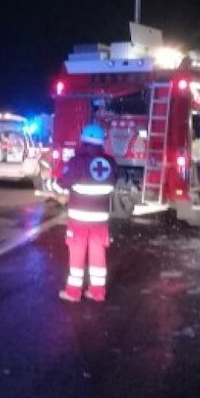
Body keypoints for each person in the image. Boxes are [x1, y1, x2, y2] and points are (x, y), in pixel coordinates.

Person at [57, 123, 118, 302]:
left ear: (83, 140)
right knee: (98, 254)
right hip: (100, 220)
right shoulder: (110, 162)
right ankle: (97, 292)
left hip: (79, 219)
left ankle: (73, 293)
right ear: (101, 141)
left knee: (77, 255)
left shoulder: (77, 162)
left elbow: (62, 183)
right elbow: (113, 182)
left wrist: (58, 191)